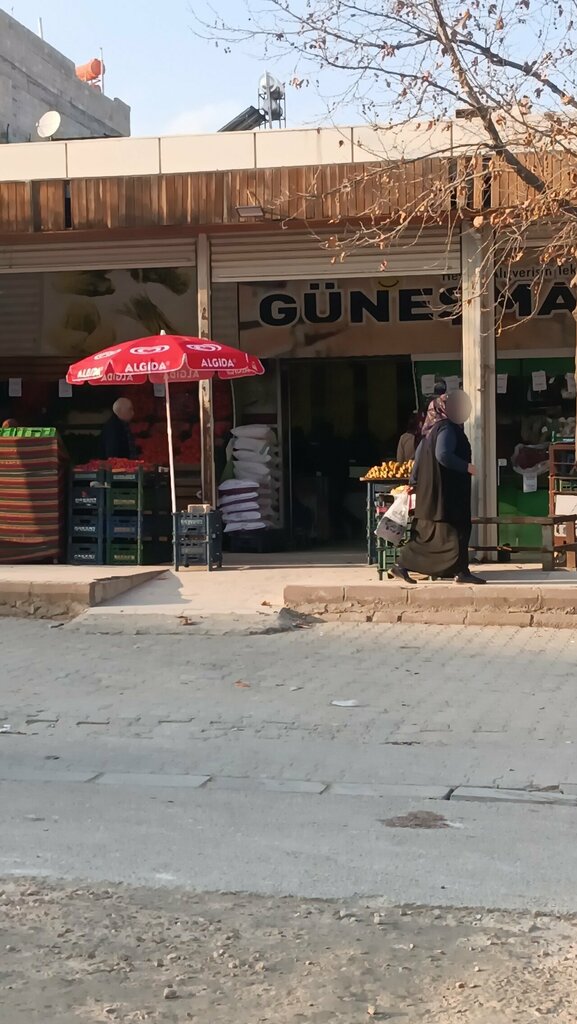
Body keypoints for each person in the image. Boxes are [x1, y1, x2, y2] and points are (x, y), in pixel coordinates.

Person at [389, 390, 486, 585]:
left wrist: (413, 484)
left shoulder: (429, 431)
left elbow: (417, 461)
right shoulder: (447, 429)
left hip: (430, 493)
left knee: (428, 536)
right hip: (446, 492)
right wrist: (466, 467)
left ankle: (402, 565)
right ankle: (461, 572)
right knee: (457, 530)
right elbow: (443, 455)